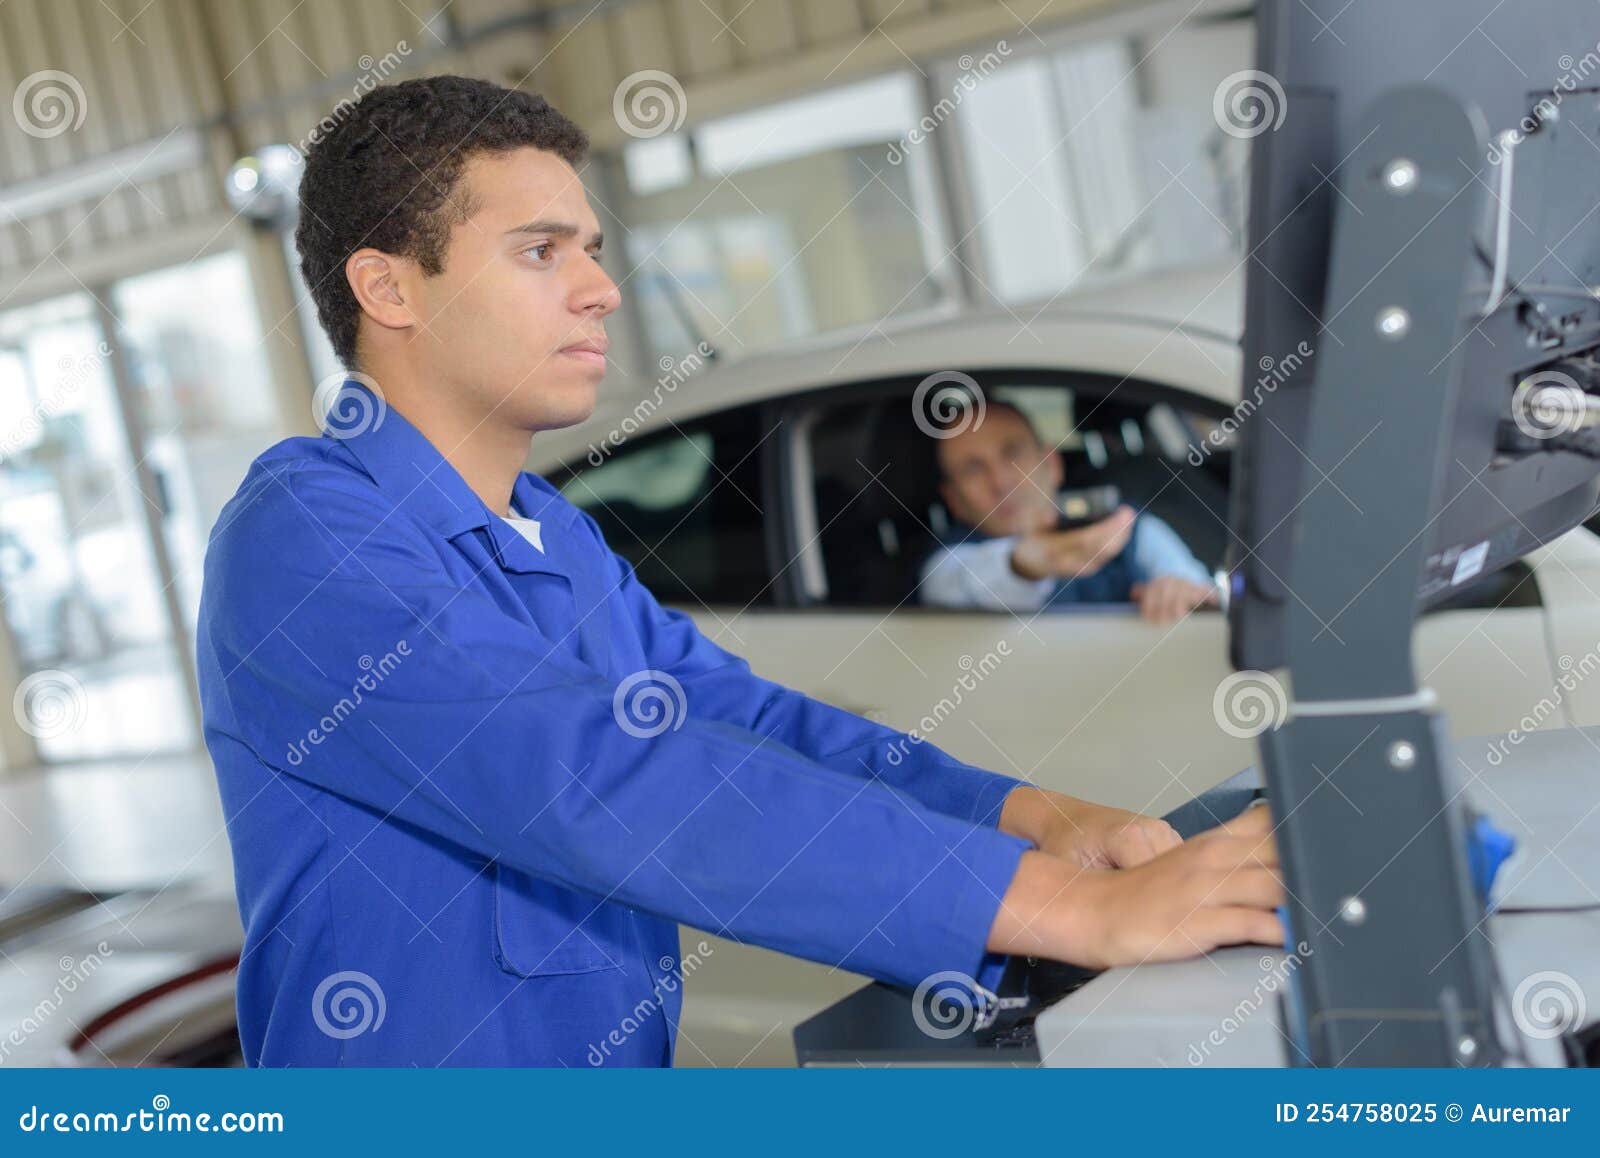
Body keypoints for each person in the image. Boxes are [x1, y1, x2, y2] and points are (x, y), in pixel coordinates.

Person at [196, 75, 1282, 1068]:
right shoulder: (304, 542)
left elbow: (744, 723)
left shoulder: (552, 535)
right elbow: (598, 777)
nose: (600, 290)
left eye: (591, 248)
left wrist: (1030, 817)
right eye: (541, 252)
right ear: (389, 289)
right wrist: (1070, 912)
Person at [920, 400, 1218, 622]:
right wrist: (1028, 563)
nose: (1000, 481)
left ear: (1053, 463)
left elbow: (1196, 588)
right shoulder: (944, 566)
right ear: (954, 500)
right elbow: (962, 587)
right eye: (973, 469)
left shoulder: (1129, 527)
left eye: (1013, 452)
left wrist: (1178, 594)